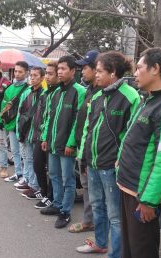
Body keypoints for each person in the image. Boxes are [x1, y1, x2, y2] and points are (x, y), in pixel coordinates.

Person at [116, 48, 161, 258]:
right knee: (129, 249)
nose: (135, 73)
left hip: (142, 194)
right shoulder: (149, 99)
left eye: (139, 68)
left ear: (155, 69)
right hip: (127, 185)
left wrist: (149, 200)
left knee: (142, 252)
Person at [76, 51, 140, 258]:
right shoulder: (98, 95)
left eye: (101, 71)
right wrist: (85, 158)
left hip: (111, 166)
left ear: (113, 73)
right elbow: (90, 128)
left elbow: (131, 135)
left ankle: (115, 257)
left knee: (115, 215)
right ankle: (100, 243)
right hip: (93, 162)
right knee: (97, 206)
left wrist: (120, 161)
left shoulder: (130, 96)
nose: (96, 75)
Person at [40, 55, 86, 228]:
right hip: (52, 142)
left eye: (63, 69)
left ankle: (65, 212)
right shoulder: (56, 91)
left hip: (67, 145)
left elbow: (78, 120)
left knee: (68, 179)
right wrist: (45, 137)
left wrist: (71, 143)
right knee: (54, 175)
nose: (59, 72)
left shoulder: (79, 91)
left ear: (73, 71)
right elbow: (49, 117)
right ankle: (57, 204)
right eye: (58, 69)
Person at [68, 50, 99, 234]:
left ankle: (94, 226)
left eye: (85, 68)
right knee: (87, 188)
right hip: (83, 149)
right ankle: (89, 221)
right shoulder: (90, 90)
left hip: (95, 154)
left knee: (96, 192)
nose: (82, 72)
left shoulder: (104, 93)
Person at [30, 61, 59, 209]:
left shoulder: (59, 92)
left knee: (53, 171)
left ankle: (51, 196)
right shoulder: (46, 93)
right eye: (46, 73)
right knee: (37, 164)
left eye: (50, 73)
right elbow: (42, 115)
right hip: (42, 134)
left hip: (54, 138)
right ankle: (43, 190)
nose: (47, 76)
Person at [15, 66, 45, 199]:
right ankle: (31, 183)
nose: (32, 78)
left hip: (37, 134)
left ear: (42, 78)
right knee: (28, 159)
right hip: (27, 132)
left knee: (36, 162)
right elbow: (20, 113)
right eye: (31, 75)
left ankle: (35, 186)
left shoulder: (44, 94)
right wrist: (19, 131)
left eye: (36, 75)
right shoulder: (27, 93)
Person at [0, 61, 29, 181]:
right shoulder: (9, 88)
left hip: (22, 127)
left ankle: (26, 177)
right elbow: (3, 107)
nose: (17, 74)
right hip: (10, 125)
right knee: (15, 151)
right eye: (15, 71)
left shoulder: (29, 89)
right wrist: (0, 120)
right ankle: (18, 173)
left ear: (26, 73)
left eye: (20, 71)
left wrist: (21, 124)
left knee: (24, 153)